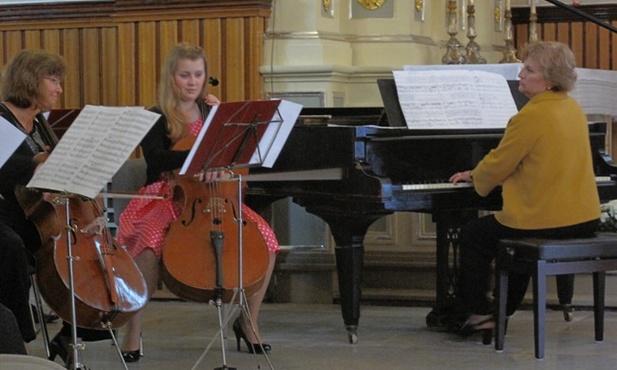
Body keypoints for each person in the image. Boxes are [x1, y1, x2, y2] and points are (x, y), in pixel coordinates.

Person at [117, 42, 279, 362]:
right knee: (148, 246)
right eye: (184, 75)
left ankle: (248, 322)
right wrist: (200, 158)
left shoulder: (212, 112)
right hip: (167, 194)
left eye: (198, 74)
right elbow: (156, 157)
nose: (192, 82)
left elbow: (237, 155)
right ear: (171, 77)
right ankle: (132, 331)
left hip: (214, 199)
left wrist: (222, 124)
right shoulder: (157, 115)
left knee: (267, 240)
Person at [448, 41, 601, 341]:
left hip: (548, 218)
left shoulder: (530, 116)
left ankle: (480, 312)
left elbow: (498, 163)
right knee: (513, 239)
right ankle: (501, 312)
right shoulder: (572, 108)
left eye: (529, 70)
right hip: (584, 216)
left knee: (475, 236)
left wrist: (474, 175)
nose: (520, 74)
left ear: (551, 78)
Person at [0, 49, 110, 369]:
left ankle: (77, 328)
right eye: (53, 80)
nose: (59, 89)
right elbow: (5, 170)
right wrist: (36, 163)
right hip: (6, 211)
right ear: (31, 80)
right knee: (11, 246)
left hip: (30, 213)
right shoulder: (1, 119)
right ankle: (14, 337)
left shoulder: (40, 124)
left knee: (79, 247)